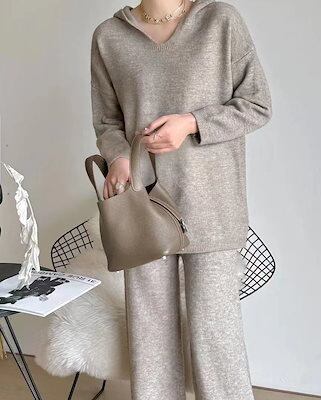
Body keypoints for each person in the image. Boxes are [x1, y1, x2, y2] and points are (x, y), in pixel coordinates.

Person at [90, 0, 272, 399]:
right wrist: (119, 157)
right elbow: (107, 121)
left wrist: (191, 123)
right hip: (142, 206)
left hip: (212, 204)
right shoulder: (109, 37)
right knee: (150, 336)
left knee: (215, 335)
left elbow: (257, 104)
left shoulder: (220, 21)